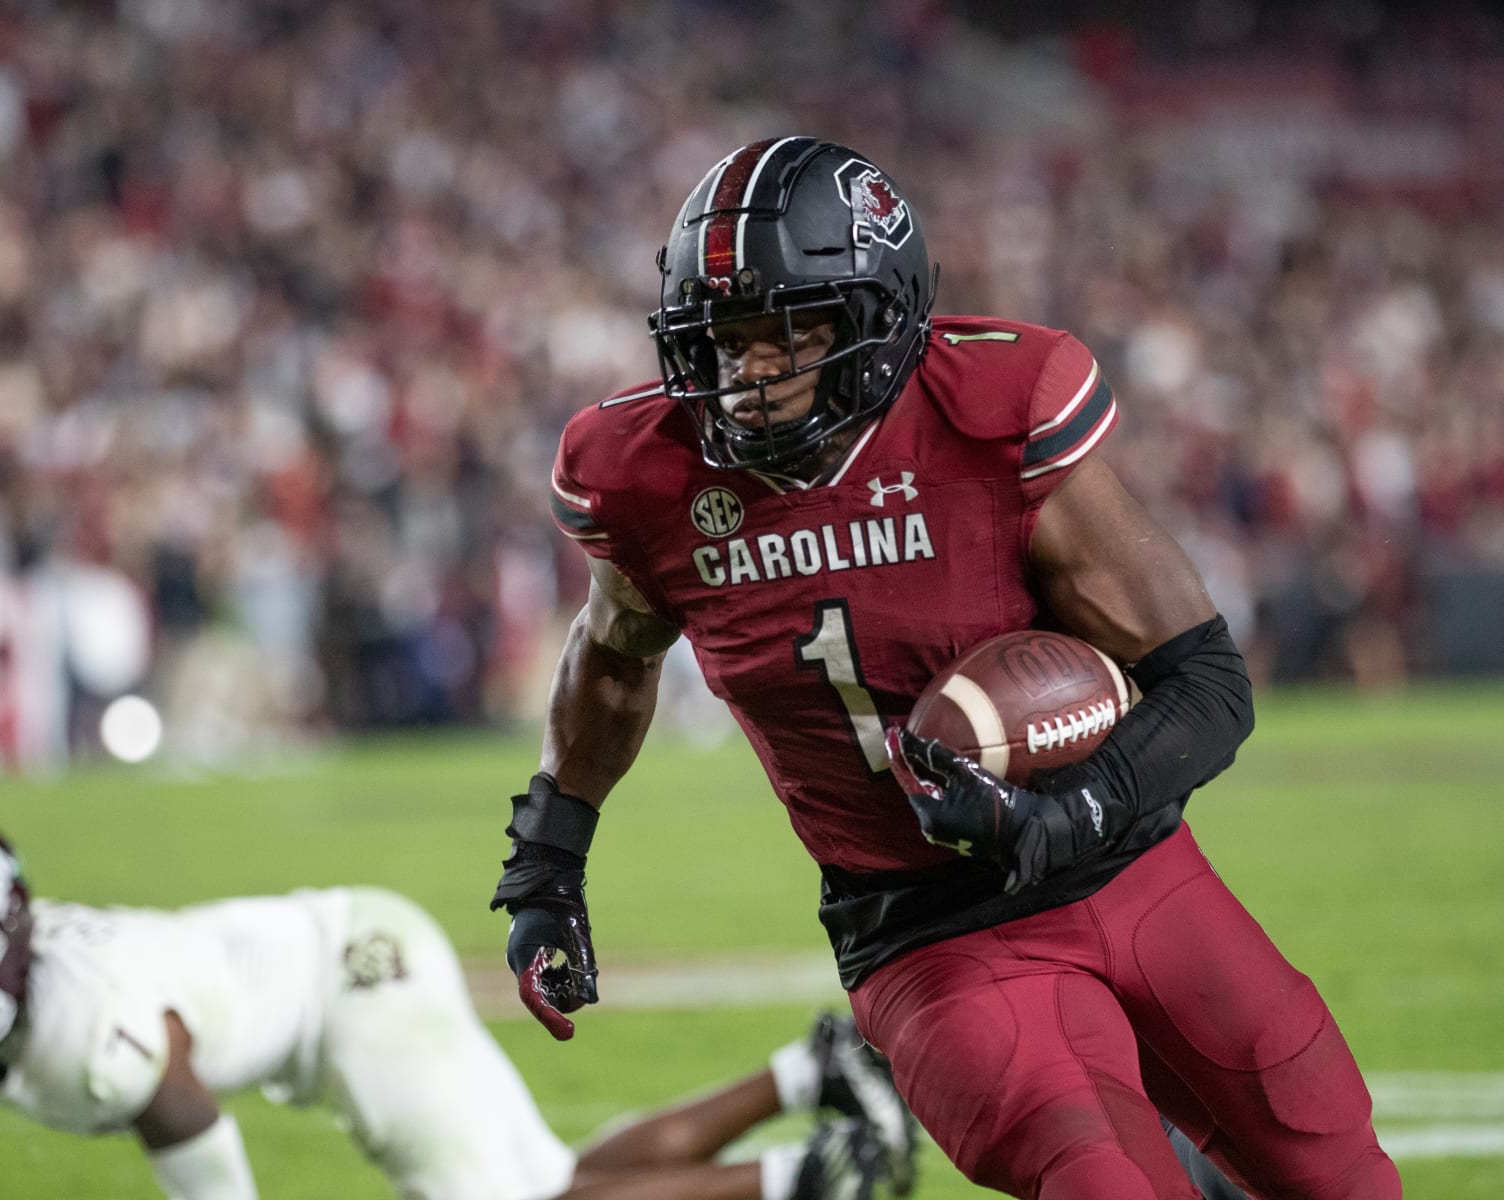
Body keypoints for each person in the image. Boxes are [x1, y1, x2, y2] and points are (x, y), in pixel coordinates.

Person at [489, 135, 1401, 1200]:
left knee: (1337, 1166)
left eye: (792, 335)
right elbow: (611, 656)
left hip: (1137, 873)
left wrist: (1072, 811)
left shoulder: (995, 411)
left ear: (883, 316)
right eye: (726, 341)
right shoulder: (647, 476)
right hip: (928, 929)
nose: (751, 376)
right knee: (1109, 1186)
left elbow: (1206, 683)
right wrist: (549, 863)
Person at [0, 813, 918, 1200]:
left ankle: (811, 1174)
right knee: (550, 1185)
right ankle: (805, 1082)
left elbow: (197, 1132)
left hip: (349, 982)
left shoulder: (90, 1030)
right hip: (332, 967)